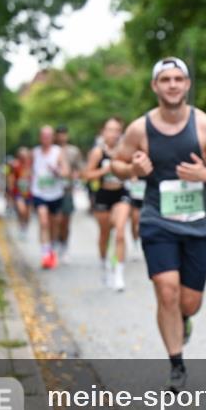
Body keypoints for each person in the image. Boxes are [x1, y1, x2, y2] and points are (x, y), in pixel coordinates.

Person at [112, 56, 206, 391]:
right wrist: (132, 170)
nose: (172, 85)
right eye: (165, 79)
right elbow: (117, 163)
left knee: (189, 303)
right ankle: (176, 364)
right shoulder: (140, 128)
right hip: (157, 221)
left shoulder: (205, 126)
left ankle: (183, 320)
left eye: (178, 79)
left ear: (187, 85)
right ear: (155, 86)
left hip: (197, 224)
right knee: (166, 292)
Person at [84, 117, 132, 291]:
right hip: (103, 195)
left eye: (116, 130)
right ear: (103, 132)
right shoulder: (97, 152)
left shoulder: (125, 151)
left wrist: (130, 173)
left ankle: (118, 274)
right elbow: (87, 175)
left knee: (120, 232)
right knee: (105, 234)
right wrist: (104, 170)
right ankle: (103, 264)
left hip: (121, 194)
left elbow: (132, 171)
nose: (113, 134)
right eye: (109, 130)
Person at [31, 125, 70, 269]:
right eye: (43, 136)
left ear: (52, 138)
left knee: (55, 224)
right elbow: (28, 172)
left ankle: (52, 247)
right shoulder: (34, 153)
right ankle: (45, 253)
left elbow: (66, 171)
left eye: (48, 136)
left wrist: (57, 171)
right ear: (40, 137)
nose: (46, 139)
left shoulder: (58, 152)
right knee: (43, 221)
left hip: (55, 194)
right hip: (39, 192)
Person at [54, 125, 84, 261]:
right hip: (52, 191)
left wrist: (75, 176)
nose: (61, 137)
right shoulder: (51, 151)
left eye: (64, 134)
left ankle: (64, 245)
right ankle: (54, 244)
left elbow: (80, 169)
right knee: (56, 220)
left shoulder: (73, 151)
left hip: (67, 190)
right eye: (59, 134)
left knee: (66, 221)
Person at [9, 147, 33, 239]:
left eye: (25, 156)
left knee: (27, 213)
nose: (23, 158)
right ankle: (21, 226)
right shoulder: (15, 165)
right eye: (21, 156)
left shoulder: (31, 165)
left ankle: (25, 228)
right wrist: (11, 190)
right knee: (21, 210)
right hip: (18, 192)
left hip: (29, 193)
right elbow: (11, 177)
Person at [125, 174, 146, 261]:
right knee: (135, 222)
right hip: (136, 196)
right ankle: (135, 243)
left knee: (144, 224)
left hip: (148, 196)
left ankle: (144, 244)